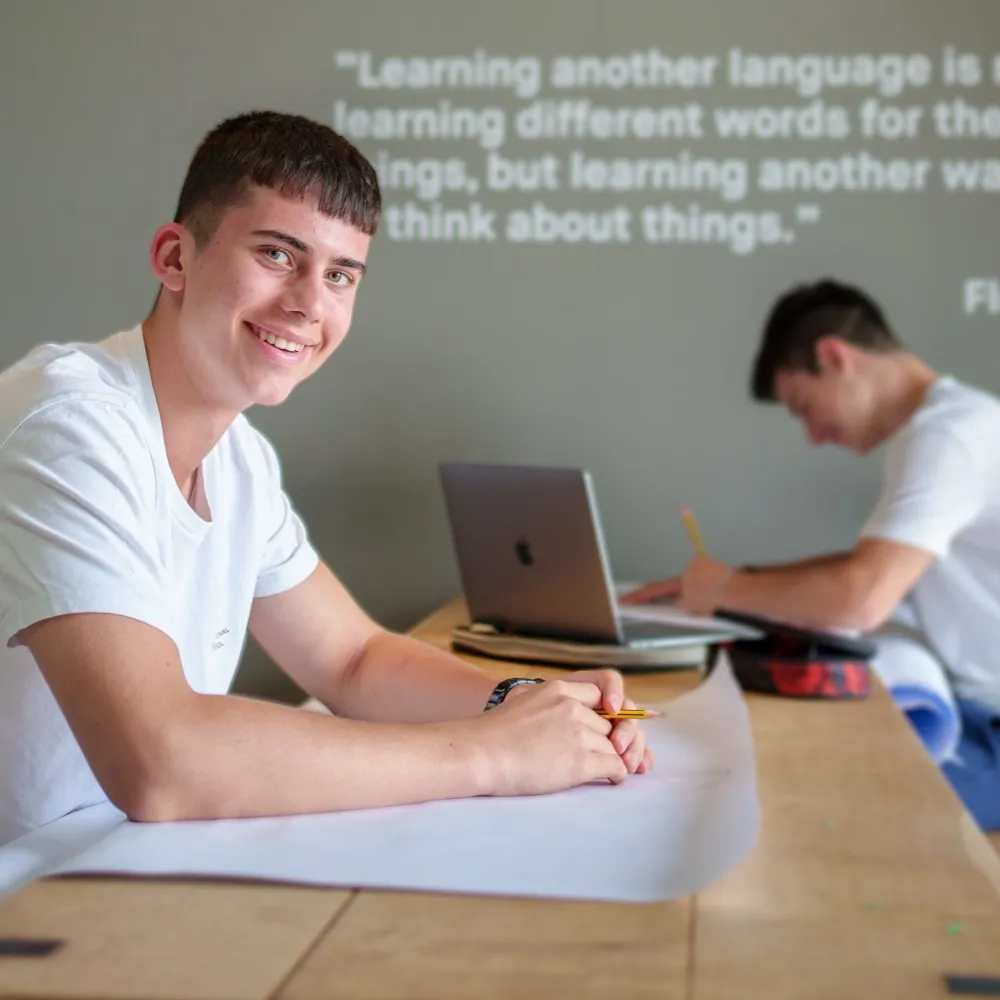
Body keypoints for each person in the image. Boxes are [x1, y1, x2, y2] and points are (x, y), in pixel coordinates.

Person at [0, 110, 651, 847]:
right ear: (175, 258)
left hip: (100, 869)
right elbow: (160, 762)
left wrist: (527, 701)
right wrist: (494, 754)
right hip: (29, 890)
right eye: (278, 254)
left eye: (340, 275)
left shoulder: (239, 459)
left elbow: (352, 660)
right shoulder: (66, 428)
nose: (310, 303)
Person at [625, 278, 1000, 829]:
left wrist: (724, 591)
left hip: (988, 725)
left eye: (803, 406)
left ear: (834, 357)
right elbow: (869, 566)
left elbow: (862, 597)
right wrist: (735, 580)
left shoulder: (947, 439)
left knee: (807, 801)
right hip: (975, 704)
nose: (814, 436)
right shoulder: (959, 424)